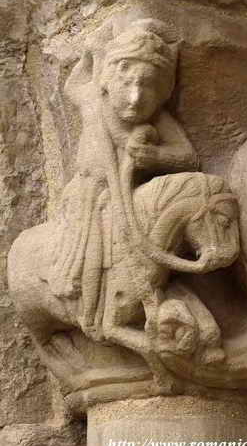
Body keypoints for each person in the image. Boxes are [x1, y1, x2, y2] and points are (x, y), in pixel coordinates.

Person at [48, 19, 198, 335]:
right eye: (127, 84)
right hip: (89, 195)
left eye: (147, 88)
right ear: (107, 80)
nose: (135, 98)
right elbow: (72, 85)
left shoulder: (158, 117)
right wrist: (92, 52)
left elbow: (188, 157)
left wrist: (156, 157)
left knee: (133, 241)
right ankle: (89, 313)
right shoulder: (92, 101)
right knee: (92, 252)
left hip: (125, 195)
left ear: (162, 92)